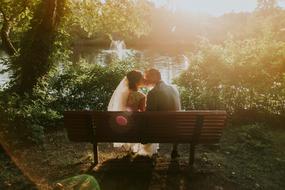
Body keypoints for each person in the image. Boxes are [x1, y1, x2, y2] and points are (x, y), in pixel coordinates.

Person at [108, 70, 158, 156]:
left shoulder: (123, 94)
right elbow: (143, 113)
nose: (144, 80)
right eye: (142, 78)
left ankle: (130, 149)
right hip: (136, 128)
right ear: (137, 81)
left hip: (124, 127)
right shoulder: (141, 96)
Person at [144, 68, 181, 159]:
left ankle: (144, 146)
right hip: (176, 128)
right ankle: (175, 150)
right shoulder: (174, 89)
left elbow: (149, 113)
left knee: (143, 121)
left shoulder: (153, 92)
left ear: (155, 77)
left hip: (161, 129)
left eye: (148, 77)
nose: (146, 79)